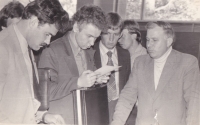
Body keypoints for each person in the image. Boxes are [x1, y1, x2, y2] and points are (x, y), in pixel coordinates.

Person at [111, 21, 200, 125]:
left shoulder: (187, 62)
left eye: (155, 40)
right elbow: (127, 97)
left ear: (168, 41)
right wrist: (116, 122)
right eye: (148, 40)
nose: (149, 45)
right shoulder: (140, 62)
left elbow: (194, 102)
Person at [0, 0, 69, 124]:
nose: (48, 42)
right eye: (47, 34)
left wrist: (43, 116)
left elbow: (20, 99)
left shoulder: (27, 46)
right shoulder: (2, 46)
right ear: (33, 22)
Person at [38, 4, 108, 124]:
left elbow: (85, 82)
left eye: (96, 38)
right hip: (62, 120)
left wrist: (95, 79)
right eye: (89, 36)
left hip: (84, 118)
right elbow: (46, 93)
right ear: (76, 27)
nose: (92, 43)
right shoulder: (51, 51)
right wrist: (78, 82)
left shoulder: (88, 51)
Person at [93, 12, 131, 122]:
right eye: (107, 33)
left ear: (120, 35)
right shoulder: (90, 51)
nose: (111, 39)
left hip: (118, 108)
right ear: (100, 32)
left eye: (115, 34)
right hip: (97, 107)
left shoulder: (125, 54)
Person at [118, 19, 147, 125]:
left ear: (134, 35)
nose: (118, 40)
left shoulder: (146, 57)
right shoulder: (119, 55)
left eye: (122, 36)